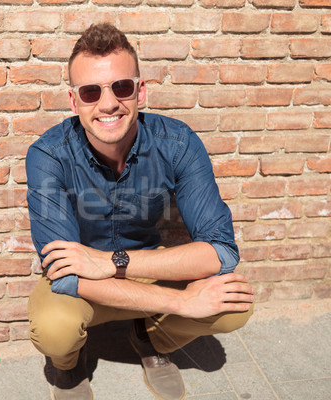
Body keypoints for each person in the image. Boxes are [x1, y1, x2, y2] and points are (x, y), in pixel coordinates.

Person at [25, 23, 254, 400]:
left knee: (234, 303)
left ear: (140, 91)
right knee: (55, 328)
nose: (108, 103)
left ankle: (150, 338)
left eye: (121, 87)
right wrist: (180, 301)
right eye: (90, 91)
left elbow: (222, 251)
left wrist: (111, 261)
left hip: (135, 263)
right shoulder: (49, 155)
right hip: (83, 284)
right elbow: (64, 276)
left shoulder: (177, 143)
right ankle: (68, 367)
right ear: (73, 101)